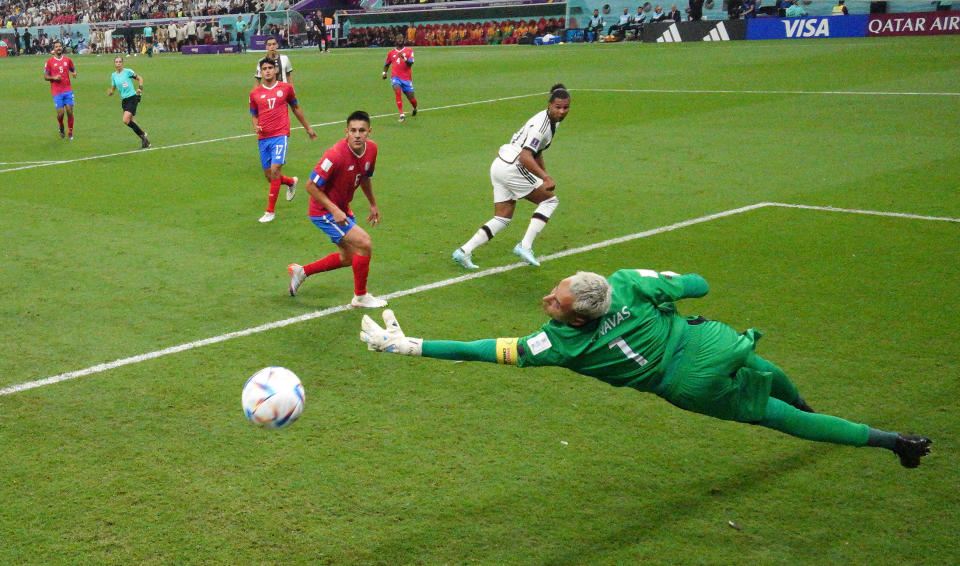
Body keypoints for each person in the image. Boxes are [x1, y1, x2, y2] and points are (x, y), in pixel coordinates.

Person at [359, 269, 934, 469]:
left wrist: (412, 346)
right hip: (707, 339)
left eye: (555, 300)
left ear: (580, 316)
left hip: (685, 383)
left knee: (775, 418)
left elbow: (483, 349)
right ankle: (818, 412)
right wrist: (667, 294)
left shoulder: (558, 345)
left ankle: (893, 442)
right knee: (760, 363)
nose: (547, 301)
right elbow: (699, 285)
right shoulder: (628, 284)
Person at [452, 84, 570, 270]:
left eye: (566, 107)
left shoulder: (550, 121)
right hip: (513, 166)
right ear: (549, 105)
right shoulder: (542, 126)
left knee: (503, 216)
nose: (562, 111)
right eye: (558, 107)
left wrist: (545, 176)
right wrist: (545, 178)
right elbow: (525, 156)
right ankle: (525, 246)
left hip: (500, 164)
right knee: (549, 202)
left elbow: (537, 154)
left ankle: (464, 251)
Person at [287, 110, 388, 309]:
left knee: (349, 257)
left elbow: (366, 177)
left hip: (341, 208)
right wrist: (333, 209)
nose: (357, 135)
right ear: (346, 132)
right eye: (353, 131)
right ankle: (360, 297)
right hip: (323, 211)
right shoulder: (335, 155)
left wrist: (373, 203)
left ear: (369, 132)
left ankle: (302, 271)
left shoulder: (372, 149)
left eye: (361, 130)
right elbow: (310, 186)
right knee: (364, 243)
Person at [249, 58, 317, 223]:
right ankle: (290, 182)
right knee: (269, 176)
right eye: (264, 68)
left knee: (275, 169)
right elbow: (254, 113)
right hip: (263, 138)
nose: (267, 71)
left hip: (280, 134)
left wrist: (308, 128)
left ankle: (270, 211)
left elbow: (296, 108)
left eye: (270, 68)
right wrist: (255, 126)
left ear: (275, 70)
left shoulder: (286, 88)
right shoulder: (255, 93)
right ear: (261, 71)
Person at [107, 55, 150, 149]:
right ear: (114, 64)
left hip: (132, 98)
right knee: (132, 122)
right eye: (116, 62)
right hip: (124, 100)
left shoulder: (128, 72)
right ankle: (146, 141)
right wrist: (111, 92)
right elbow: (113, 88)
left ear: (122, 63)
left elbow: (140, 78)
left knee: (125, 120)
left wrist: (140, 89)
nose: (118, 64)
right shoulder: (113, 75)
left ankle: (143, 134)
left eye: (120, 62)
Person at [44, 40, 77, 140]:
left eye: (60, 46)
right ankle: (61, 126)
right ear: (53, 49)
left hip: (67, 89)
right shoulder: (49, 62)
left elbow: (73, 68)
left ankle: (70, 132)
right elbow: (45, 76)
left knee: (70, 111)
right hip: (57, 91)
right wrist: (54, 78)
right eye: (56, 47)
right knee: (61, 113)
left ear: (62, 48)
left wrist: (74, 73)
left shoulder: (67, 60)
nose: (58, 48)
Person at [382, 38, 417, 123]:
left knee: (412, 99)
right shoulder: (391, 52)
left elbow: (410, 64)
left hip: (406, 79)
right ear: (395, 41)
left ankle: (415, 108)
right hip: (395, 77)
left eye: (401, 39)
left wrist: (404, 58)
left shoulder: (409, 51)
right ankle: (402, 115)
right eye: (398, 39)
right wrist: (384, 72)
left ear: (404, 41)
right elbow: (387, 64)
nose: (400, 40)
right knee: (397, 91)